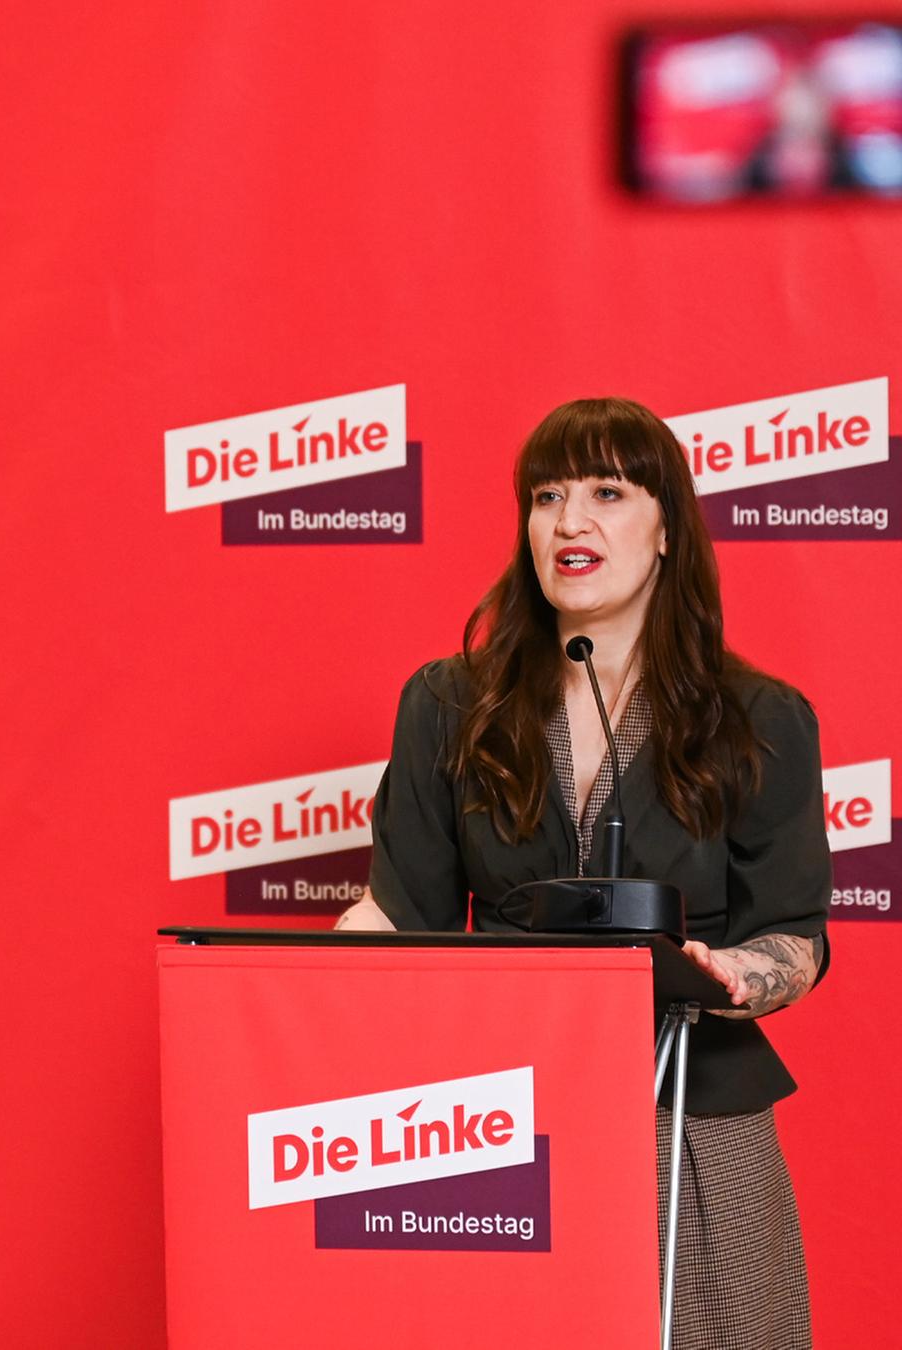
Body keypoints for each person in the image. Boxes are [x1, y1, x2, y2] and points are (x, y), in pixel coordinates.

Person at [366, 396, 829, 1348]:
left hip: (692, 1107)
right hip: (491, 1115)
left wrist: (746, 975)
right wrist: (294, 1004)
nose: (568, 521)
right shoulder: (450, 703)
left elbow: (794, 932)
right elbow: (397, 912)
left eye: (606, 492)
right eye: (545, 497)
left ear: (667, 529)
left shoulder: (759, 718)